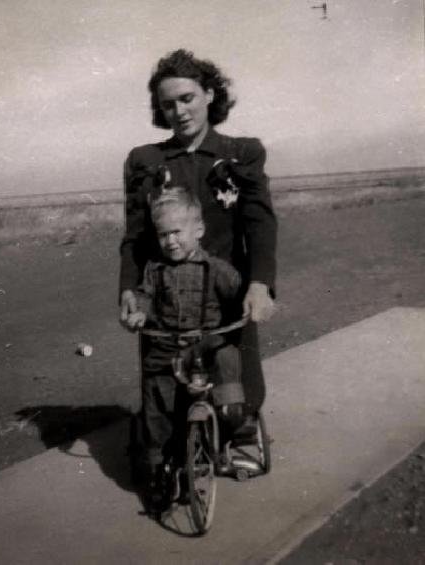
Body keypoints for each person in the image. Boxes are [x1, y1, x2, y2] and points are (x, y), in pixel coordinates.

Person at [119, 48, 277, 474]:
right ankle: (173, 450)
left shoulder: (241, 153)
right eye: (168, 104)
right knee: (166, 389)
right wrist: (130, 291)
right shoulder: (145, 162)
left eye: (187, 98)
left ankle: (238, 435)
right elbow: (135, 237)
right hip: (166, 297)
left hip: (225, 293)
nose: (179, 111)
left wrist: (259, 283)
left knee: (234, 385)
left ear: (209, 94)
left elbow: (259, 224)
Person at [125, 184, 246, 505]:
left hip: (204, 344)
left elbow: (238, 290)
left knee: (225, 354)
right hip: (167, 346)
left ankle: (231, 412)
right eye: (163, 235)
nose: (170, 241)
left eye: (177, 232)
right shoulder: (156, 270)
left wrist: (252, 298)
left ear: (199, 231)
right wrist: (139, 311)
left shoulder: (216, 269)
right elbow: (145, 297)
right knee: (157, 398)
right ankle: (160, 466)